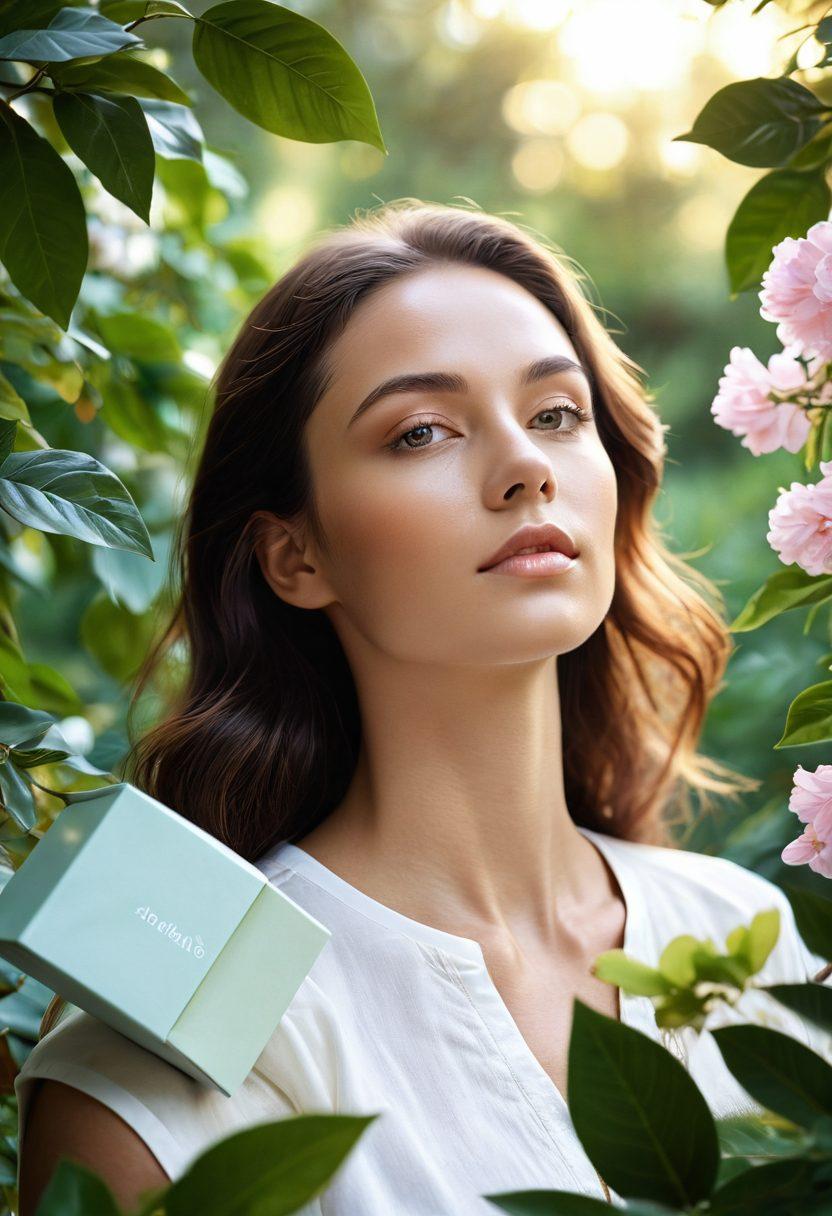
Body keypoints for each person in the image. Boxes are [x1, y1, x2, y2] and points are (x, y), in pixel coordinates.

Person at [15, 200, 831, 1216]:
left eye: (555, 414)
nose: (526, 465)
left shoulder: (746, 934)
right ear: (295, 555)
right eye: (420, 431)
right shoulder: (179, 1028)